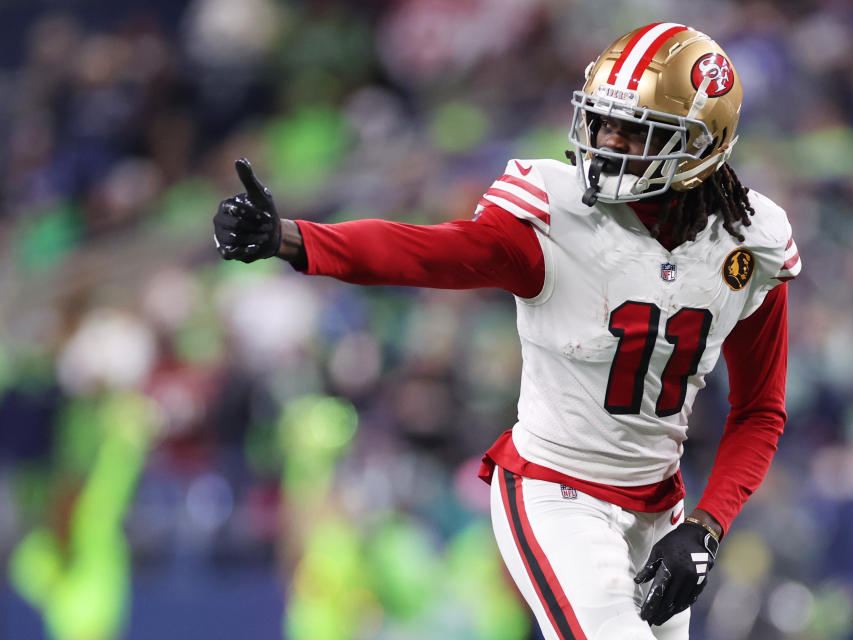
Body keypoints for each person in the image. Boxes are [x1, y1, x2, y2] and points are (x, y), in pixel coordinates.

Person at [213, 22, 800, 640]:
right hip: (554, 491)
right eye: (602, 122)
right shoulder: (556, 215)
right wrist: (293, 238)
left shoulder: (746, 244)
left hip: (658, 508)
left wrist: (706, 525)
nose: (607, 142)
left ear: (701, 147)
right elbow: (427, 253)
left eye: (636, 130)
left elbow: (760, 409)